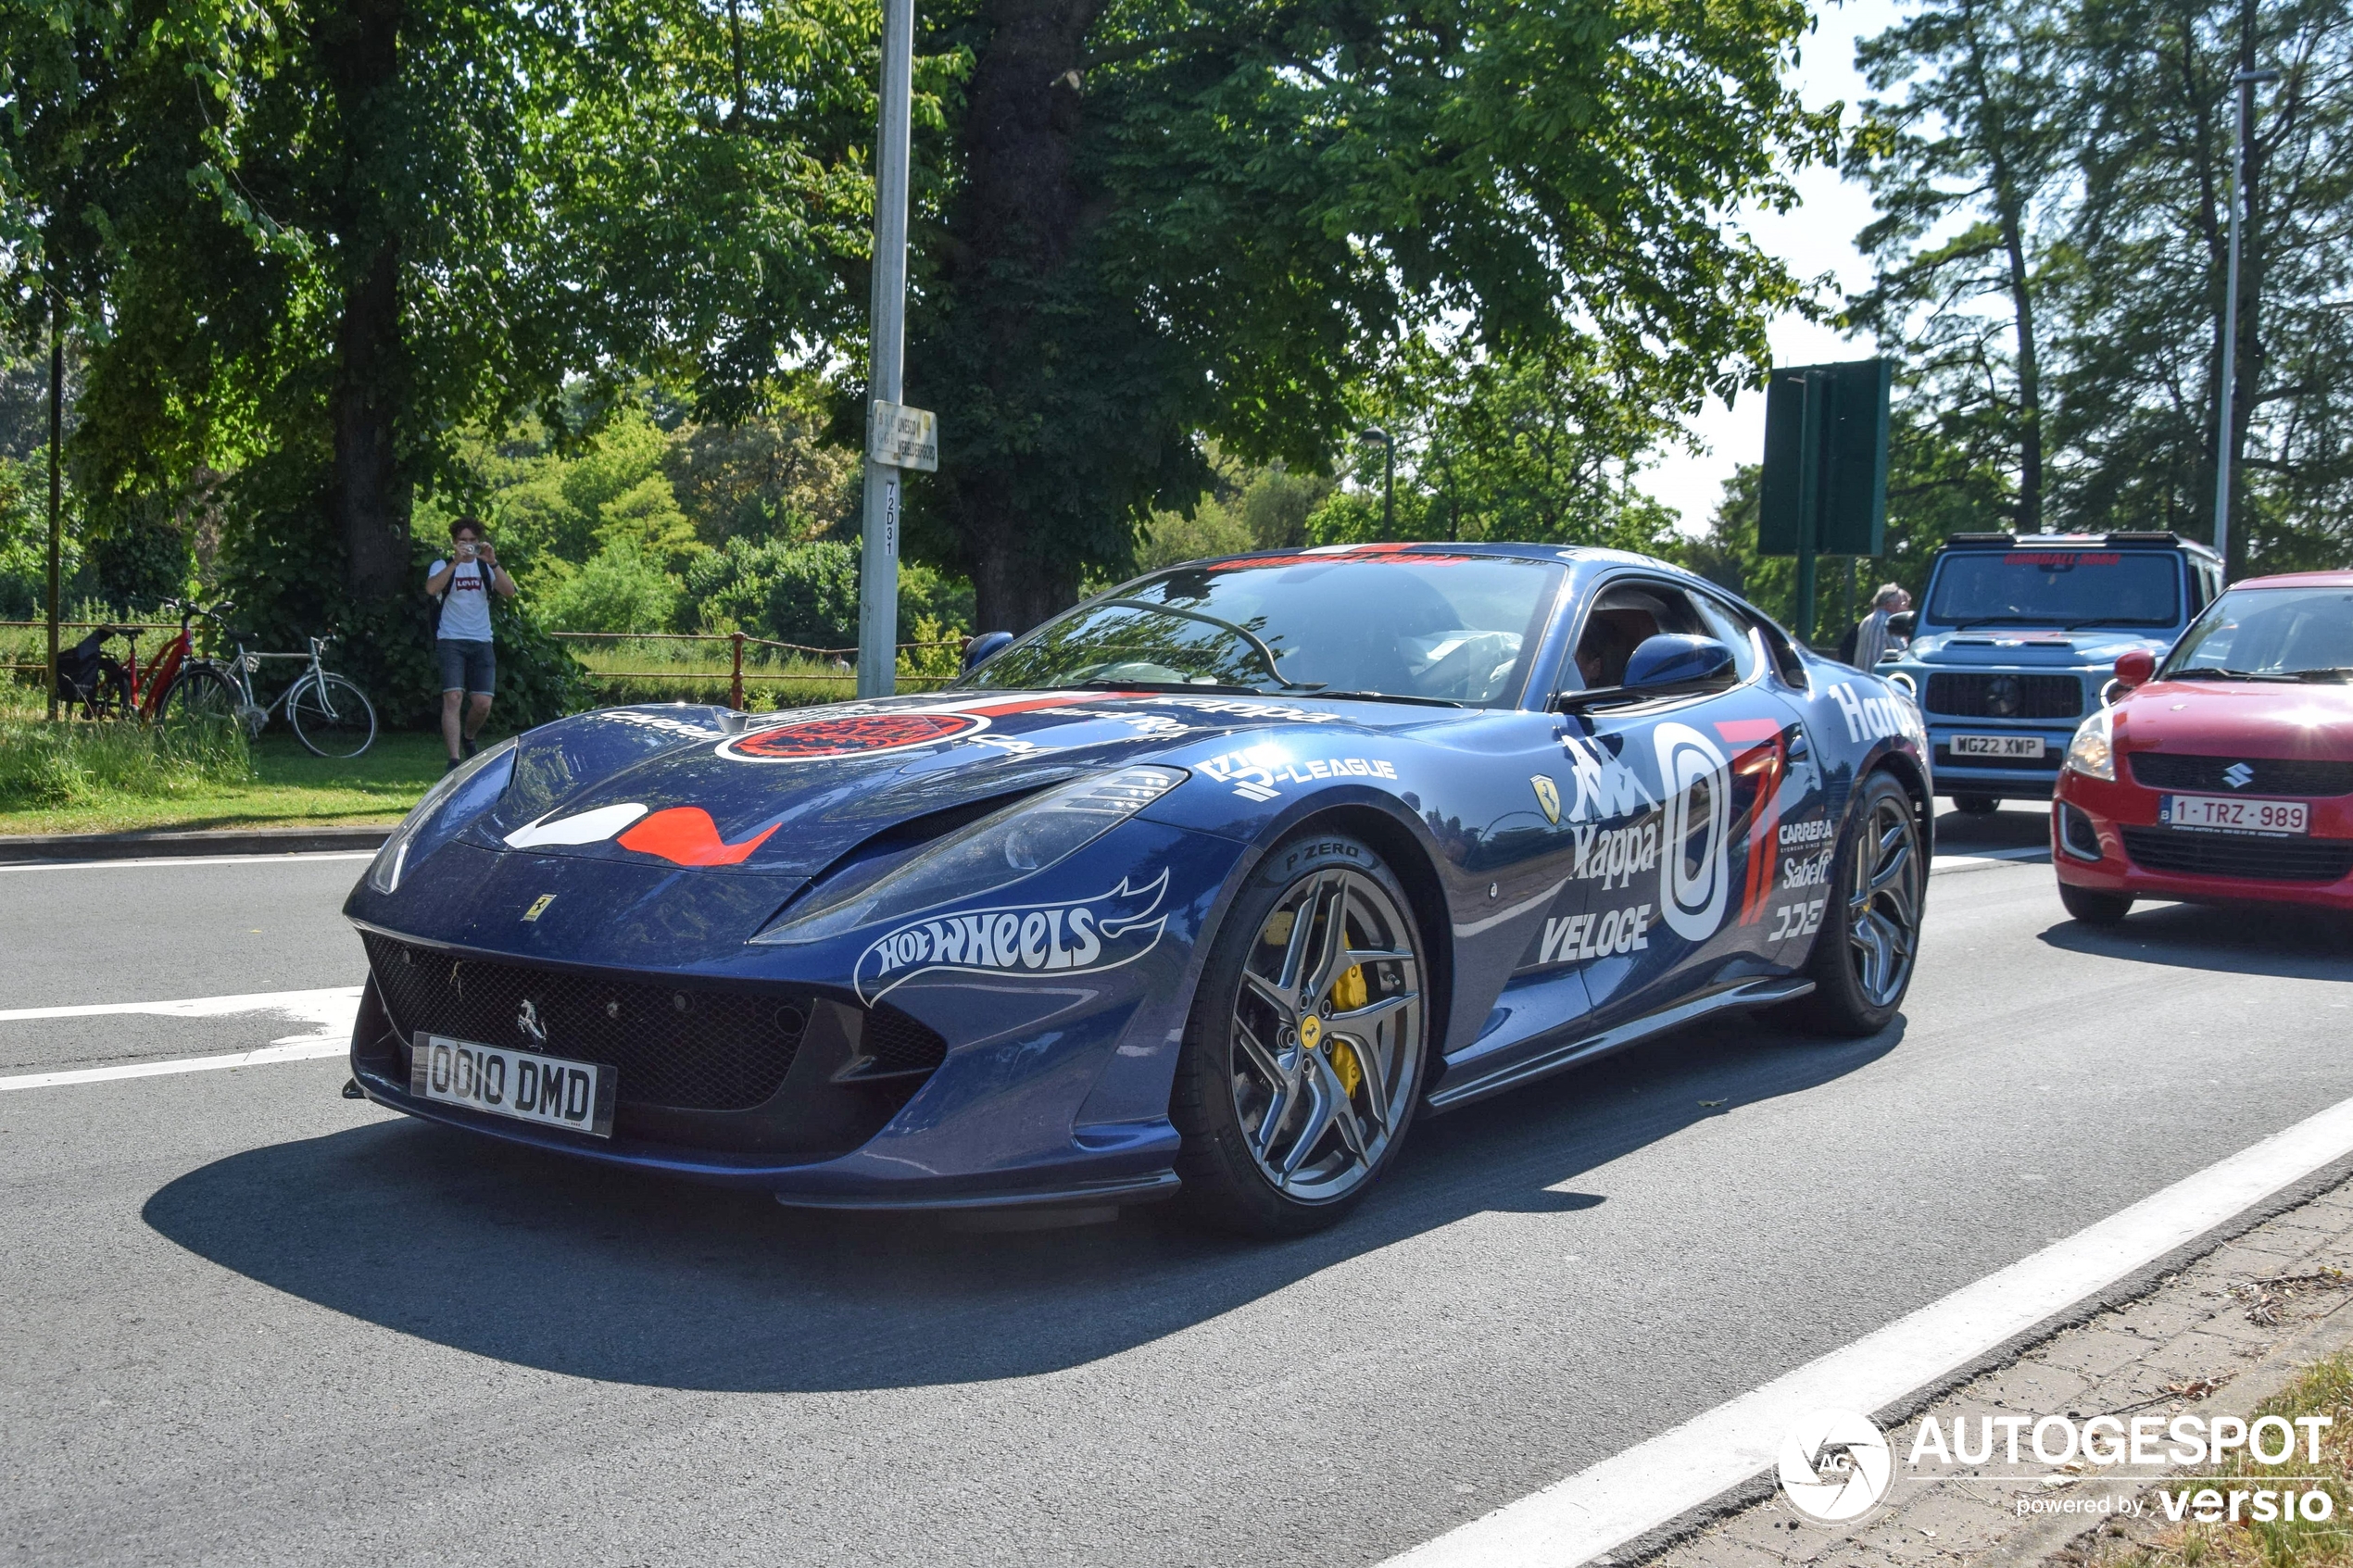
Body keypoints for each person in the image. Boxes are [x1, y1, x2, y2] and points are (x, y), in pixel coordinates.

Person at [425, 518, 518, 771]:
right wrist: (455, 562)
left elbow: (509, 591)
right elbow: (431, 589)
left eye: (472, 541)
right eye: (463, 541)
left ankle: (469, 736)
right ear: (454, 542)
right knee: (453, 696)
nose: (467, 546)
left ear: (479, 542)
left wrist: (493, 562)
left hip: (481, 640)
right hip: (451, 639)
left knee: (482, 703)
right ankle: (454, 759)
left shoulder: (485, 568)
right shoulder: (442, 565)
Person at [1840, 583, 1911, 670]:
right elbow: (1903, 653)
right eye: (1899, 604)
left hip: (1862, 676)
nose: (1901, 609)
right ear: (1889, 605)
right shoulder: (1888, 623)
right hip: (1878, 678)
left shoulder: (1866, 621)